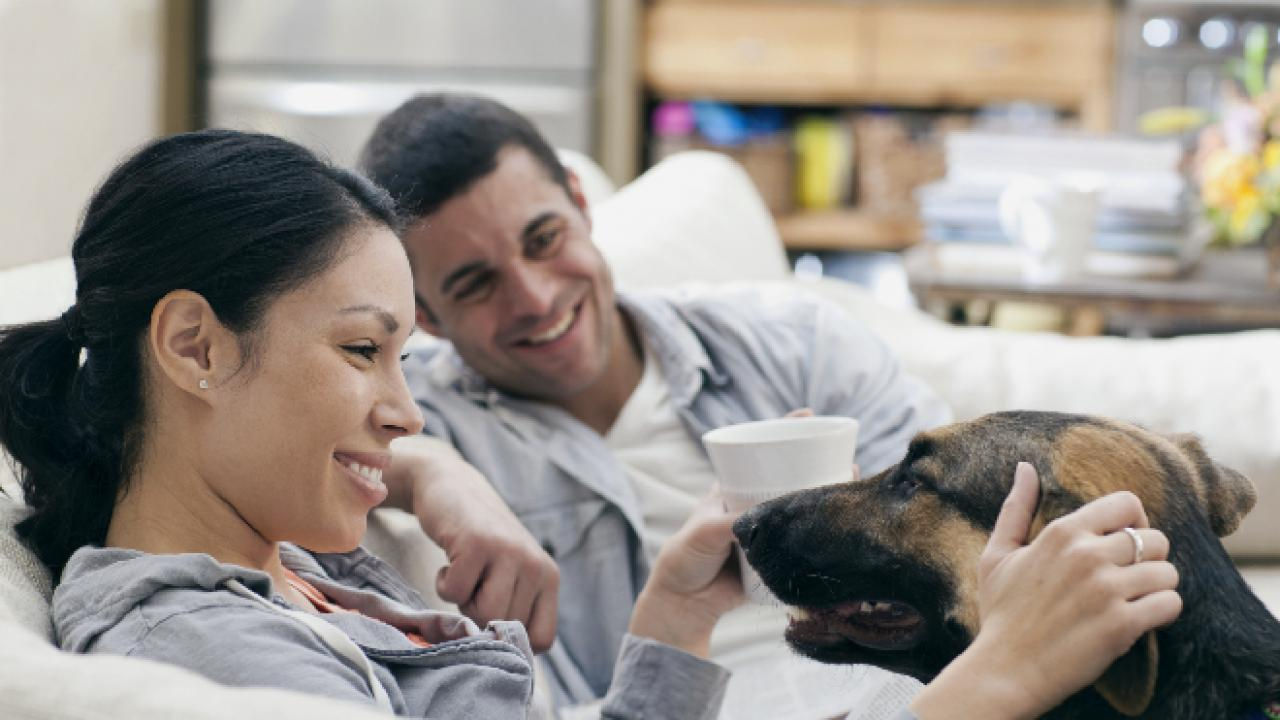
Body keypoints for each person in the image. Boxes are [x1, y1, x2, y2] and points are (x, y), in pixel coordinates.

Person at [0, 128, 1179, 720]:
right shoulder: (200, 660)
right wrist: (989, 685)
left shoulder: (298, 565)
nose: (407, 412)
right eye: (363, 351)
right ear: (195, 347)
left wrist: (672, 619)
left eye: (401, 359)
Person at [358, 93, 954, 708]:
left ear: (580, 203)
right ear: (424, 314)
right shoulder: (420, 419)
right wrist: (430, 468)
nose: (534, 299)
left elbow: (969, 526)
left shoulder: (795, 344)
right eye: (477, 284)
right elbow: (274, 451)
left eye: (543, 238)